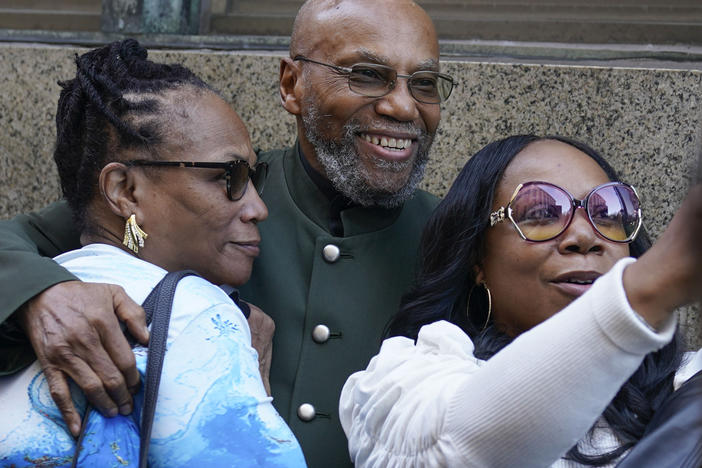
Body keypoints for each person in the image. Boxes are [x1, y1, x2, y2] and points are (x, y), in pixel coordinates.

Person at [0, 0, 454, 465]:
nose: (403, 105)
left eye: (424, 84)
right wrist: (45, 296)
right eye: (366, 74)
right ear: (291, 84)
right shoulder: (214, 192)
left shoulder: (458, 240)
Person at [0, 40, 305, 466]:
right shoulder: (195, 314)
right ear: (125, 191)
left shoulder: (35, 291)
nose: (258, 208)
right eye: (228, 176)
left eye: (255, 176)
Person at [339, 135, 702, 467]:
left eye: (607, 211)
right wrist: (642, 292)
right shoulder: (403, 381)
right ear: (477, 260)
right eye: (541, 213)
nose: (583, 237)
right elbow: (452, 447)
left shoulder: (687, 383)